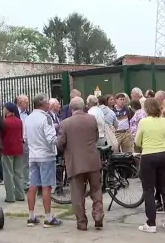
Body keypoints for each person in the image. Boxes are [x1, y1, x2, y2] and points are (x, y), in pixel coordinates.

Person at [58, 96, 104, 231]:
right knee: (96, 189)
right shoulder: (91, 119)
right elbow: (95, 137)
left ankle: (82, 222)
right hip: (92, 160)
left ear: (71, 108)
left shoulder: (65, 123)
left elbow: (60, 143)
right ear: (84, 107)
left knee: (77, 194)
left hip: (75, 162)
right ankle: (98, 214)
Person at [134, 98, 165, 233]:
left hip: (149, 156)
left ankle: (151, 223)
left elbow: (138, 141)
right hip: (164, 155)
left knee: (149, 190)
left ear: (146, 109)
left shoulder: (143, 122)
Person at [24, 94, 62, 228]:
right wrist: (60, 141)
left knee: (32, 186)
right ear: (42, 104)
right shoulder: (46, 117)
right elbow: (51, 138)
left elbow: (25, 137)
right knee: (46, 186)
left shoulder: (28, 118)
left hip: (33, 155)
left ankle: (31, 216)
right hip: (46, 155)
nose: (49, 105)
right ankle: (48, 217)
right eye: (47, 103)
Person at [1, 102, 25, 202]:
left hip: (7, 149)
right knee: (19, 173)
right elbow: (21, 134)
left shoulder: (4, 122)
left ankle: (10, 196)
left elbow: (1, 135)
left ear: (7, 110)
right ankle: (20, 195)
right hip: (19, 149)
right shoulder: (19, 121)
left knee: (8, 173)